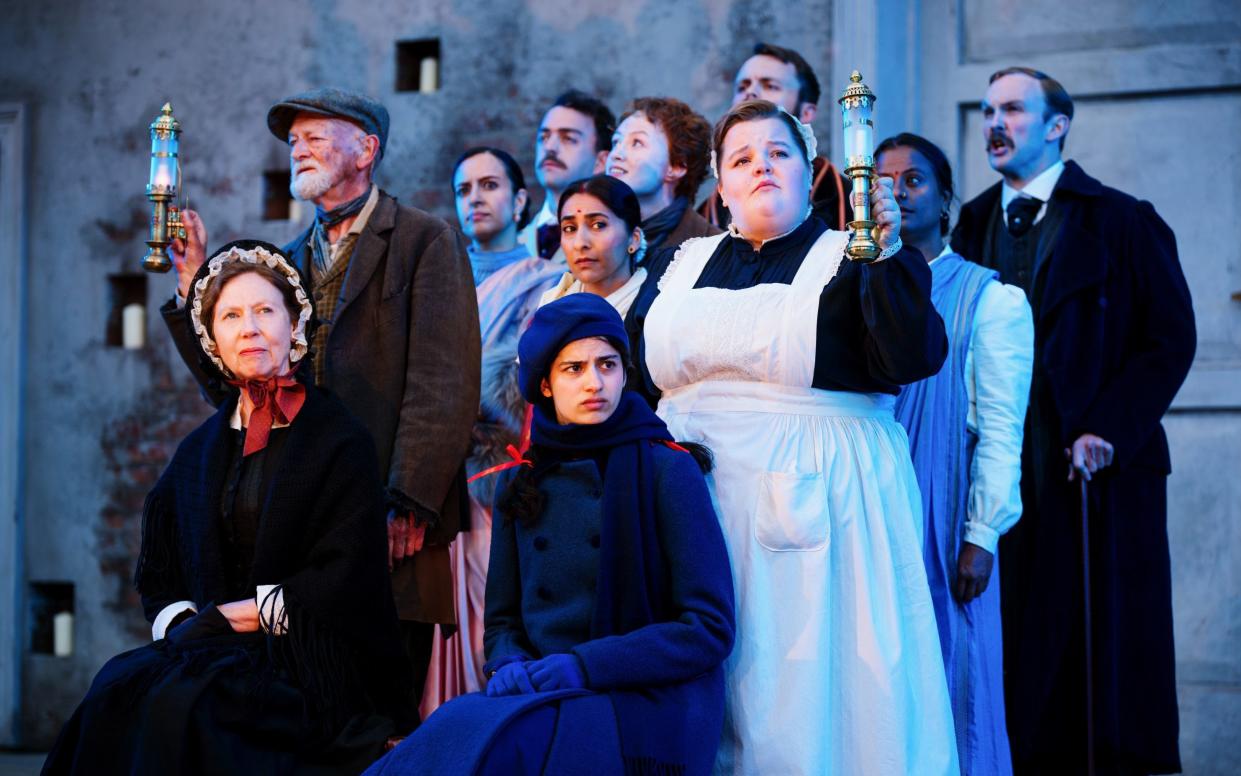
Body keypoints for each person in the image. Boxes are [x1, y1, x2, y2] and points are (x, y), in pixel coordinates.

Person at [629, 98, 957, 774]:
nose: (761, 169)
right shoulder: (679, 264)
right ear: (719, 184)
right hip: (690, 507)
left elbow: (912, 356)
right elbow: (637, 377)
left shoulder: (853, 254)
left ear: (810, 174)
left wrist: (888, 257)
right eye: (742, 159)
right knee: (701, 698)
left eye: (778, 154)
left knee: (801, 696)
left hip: (817, 509)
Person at [160, 87, 480, 713]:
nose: (297, 149)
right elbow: (237, 385)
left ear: (366, 149)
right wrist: (192, 280)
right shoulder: (286, 259)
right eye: (293, 141)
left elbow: (444, 383)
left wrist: (408, 501)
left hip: (394, 525)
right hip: (305, 531)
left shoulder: (424, 241)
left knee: (381, 708)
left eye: (314, 136)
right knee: (304, 715)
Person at [45, 243, 414, 775]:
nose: (250, 328)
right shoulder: (199, 449)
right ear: (213, 341)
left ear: (295, 326)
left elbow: (347, 578)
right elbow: (160, 571)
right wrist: (185, 622)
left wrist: (233, 617)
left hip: (309, 658)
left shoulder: (339, 440)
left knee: (193, 711)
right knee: (114, 691)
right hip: (209, 648)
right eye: (231, 316)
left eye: (265, 311)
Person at [366, 293, 736, 776]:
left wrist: (586, 665)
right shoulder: (520, 481)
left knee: (502, 751)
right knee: (443, 734)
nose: (594, 383)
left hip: (640, 696)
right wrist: (508, 665)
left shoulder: (667, 469)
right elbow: (502, 622)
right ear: (544, 384)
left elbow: (708, 628)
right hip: (543, 688)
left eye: (607, 365)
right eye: (573, 369)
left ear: (626, 373)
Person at [951, 67, 1195, 776]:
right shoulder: (967, 225)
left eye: (1014, 110)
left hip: (1095, 472)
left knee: (1100, 656)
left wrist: (1108, 428)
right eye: (988, 110)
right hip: (1002, 467)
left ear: (1056, 125)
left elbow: (1168, 339)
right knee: (1014, 643)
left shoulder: (1121, 220)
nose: (995, 123)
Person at [878, 132, 1034, 776]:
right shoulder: (847, 284)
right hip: (867, 502)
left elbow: (1002, 428)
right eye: (880, 181)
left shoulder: (988, 298)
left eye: (912, 180)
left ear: (945, 201)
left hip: (939, 503)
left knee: (951, 671)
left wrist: (981, 534)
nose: (894, 192)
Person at [420, 147, 563, 716]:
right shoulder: (433, 277)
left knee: (489, 612)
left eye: (489, 185)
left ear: (520, 199)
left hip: (497, 475)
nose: (475, 198)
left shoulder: (544, 280)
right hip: (433, 480)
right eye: (463, 189)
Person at [697, 42, 852, 231]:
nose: (750, 92)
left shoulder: (849, 201)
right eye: (742, 87)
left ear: (807, 113)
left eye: (770, 85)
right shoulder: (705, 215)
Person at [605, 96, 721, 256]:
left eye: (637, 142)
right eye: (616, 142)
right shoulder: (596, 236)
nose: (616, 154)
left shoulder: (712, 249)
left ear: (677, 166)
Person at [518, 90, 616, 260]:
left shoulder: (613, 242)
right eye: (544, 137)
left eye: (568, 138)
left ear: (601, 161)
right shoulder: (516, 244)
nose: (550, 147)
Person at [538, 175, 648, 318]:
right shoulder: (551, 304)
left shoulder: (655, 308)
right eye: (570, 229)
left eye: (598, 225)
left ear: (634, 239)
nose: (580, 243)